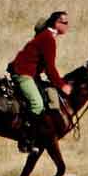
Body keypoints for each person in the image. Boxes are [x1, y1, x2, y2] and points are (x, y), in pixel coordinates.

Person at [9, 10, 72, 153]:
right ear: (56, 24)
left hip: (32, 75)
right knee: (37, 105)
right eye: (65, 23)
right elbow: (50, 68)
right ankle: (25, 141)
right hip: (23, 74)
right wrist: (62, 85)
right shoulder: (48, 39)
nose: (68, 26)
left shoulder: (48, 37)